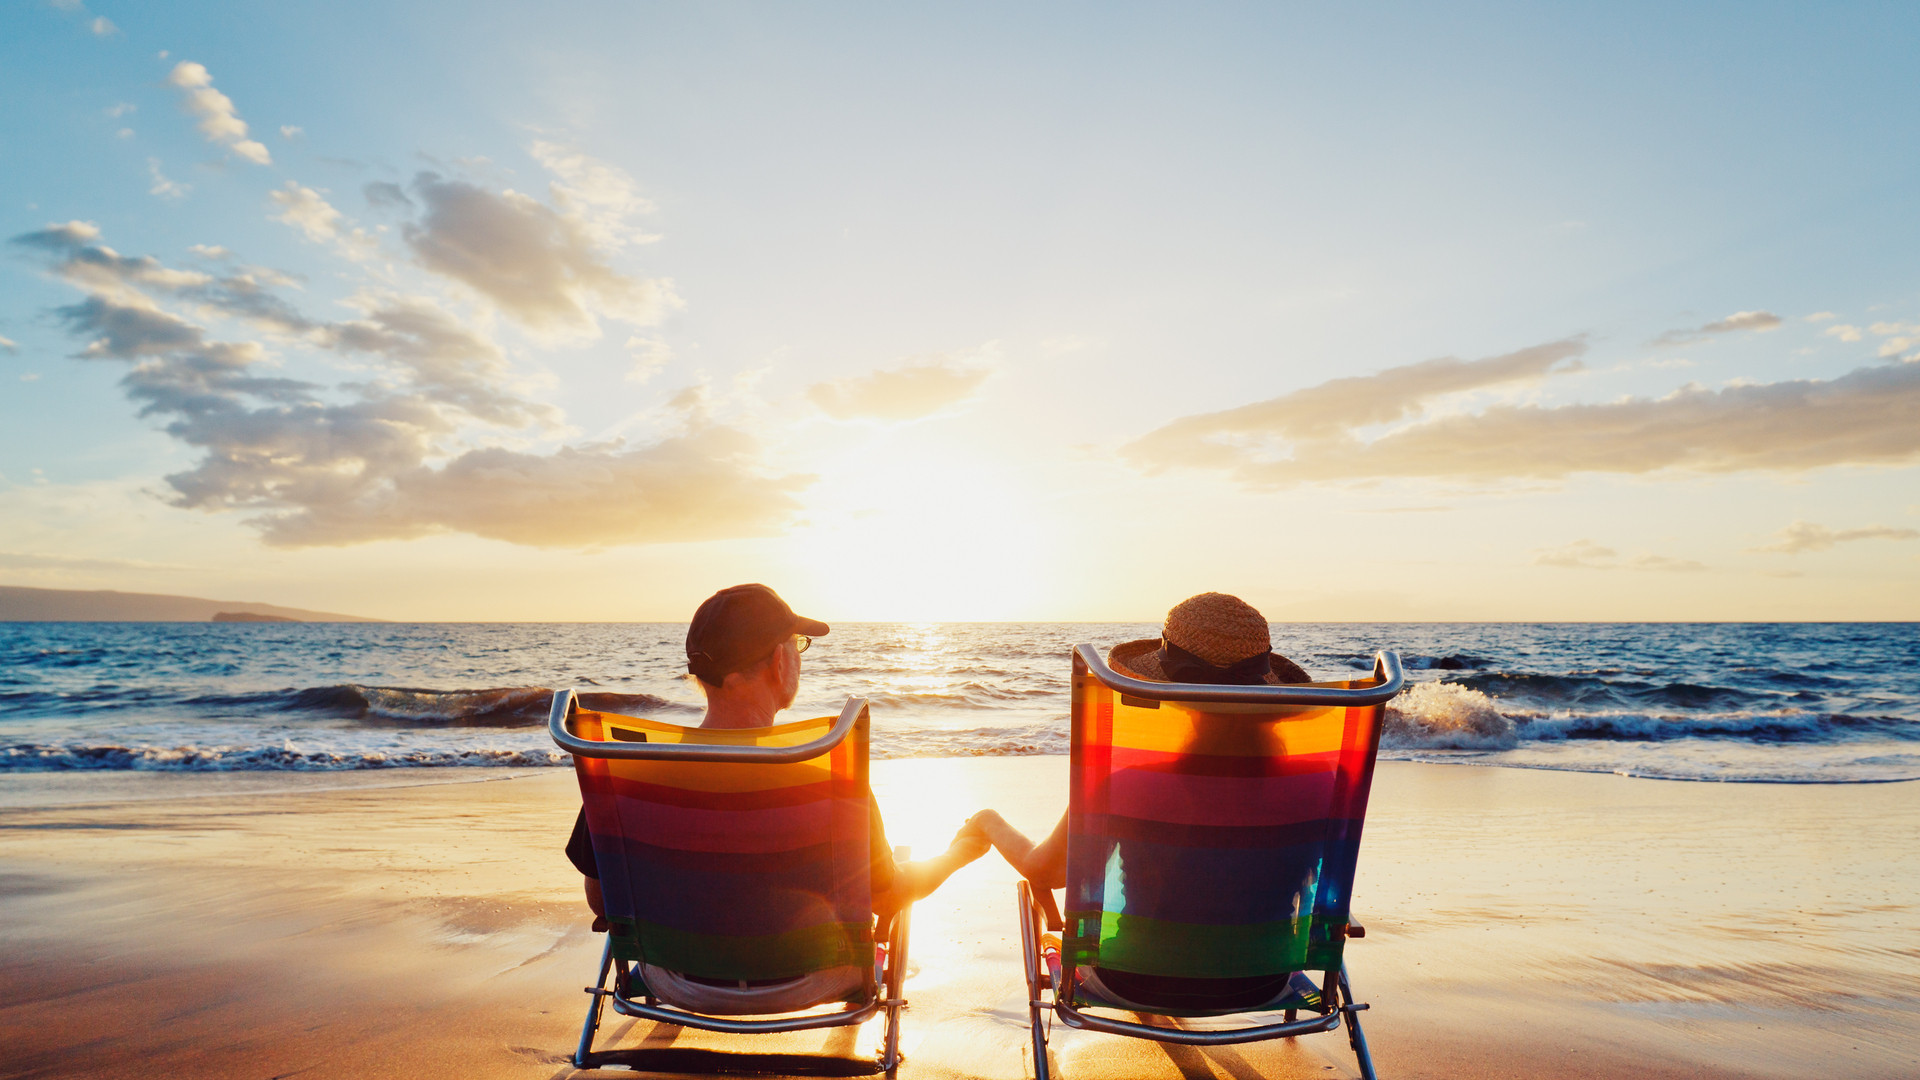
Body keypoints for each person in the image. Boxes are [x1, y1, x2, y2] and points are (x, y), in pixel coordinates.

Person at [566, 583, 987, 941]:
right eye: (797, 644)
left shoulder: (628, 772)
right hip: (807, 982)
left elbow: (602, 900)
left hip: (673, 980)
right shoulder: (828, 775)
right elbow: (886, 896)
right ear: (779, 661)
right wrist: (957, 855)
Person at [962, 591, 1312, 1011]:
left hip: (1131, 979)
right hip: (1263, 981)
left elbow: (1047, 870)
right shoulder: (1313, 788)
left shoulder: (1128, 784)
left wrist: (989, 822)